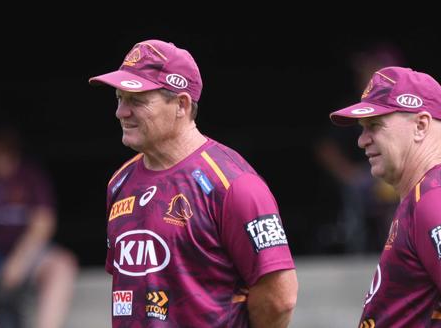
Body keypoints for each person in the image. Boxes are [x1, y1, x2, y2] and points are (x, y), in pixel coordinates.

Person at [88, 39, 298, 327]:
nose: (121, 112)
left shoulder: (233, 183)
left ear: (181, 104)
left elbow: (280, 299)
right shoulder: (120, 182)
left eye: (136, 100)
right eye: (119, 99)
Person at [329, 66, 441, 327]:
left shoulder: (437, 201)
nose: (361, 140)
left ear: (421, 125)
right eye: (362, 128)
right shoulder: (428, 194)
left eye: (374, 125)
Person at [0, 126, 78, 328]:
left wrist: (20, 260)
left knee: (63, 264)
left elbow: (44, 223)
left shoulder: (29, 174)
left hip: (27, 252)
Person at [314, 43, 403, 253]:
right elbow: (324, 147)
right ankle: (359, 249)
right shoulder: (353, 106)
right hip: (367, 179)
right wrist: (349, 175)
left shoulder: (406, 108)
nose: (363, 139)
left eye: (371, 70)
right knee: (361, 188)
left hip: (399, 176)